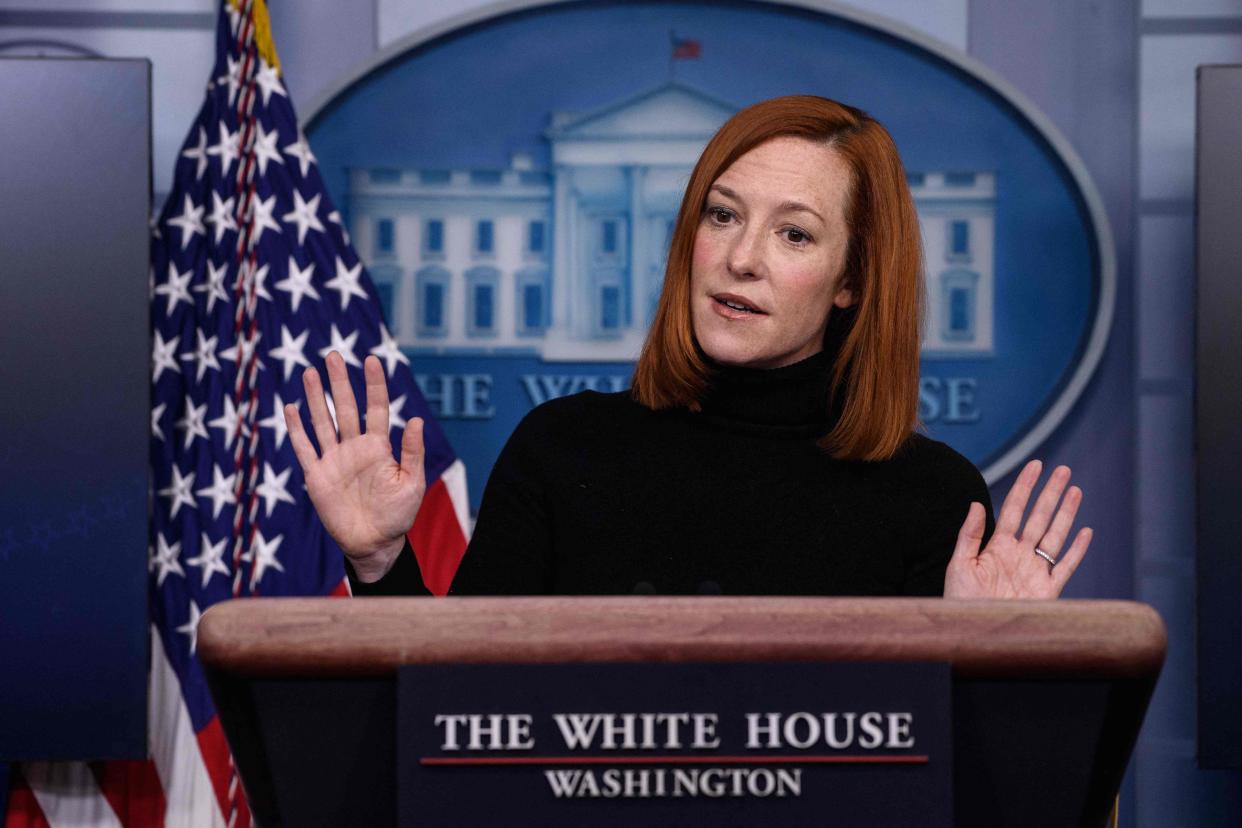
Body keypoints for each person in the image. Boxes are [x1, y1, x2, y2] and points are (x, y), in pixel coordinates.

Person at [284, 95, 1091, 599]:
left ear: (852, 280)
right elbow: (451, 724)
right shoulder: (563, 450)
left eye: (795, 234)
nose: (743, 258)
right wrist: (382, 562)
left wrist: (992, 659)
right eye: (723, 214)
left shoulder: (934, 500)